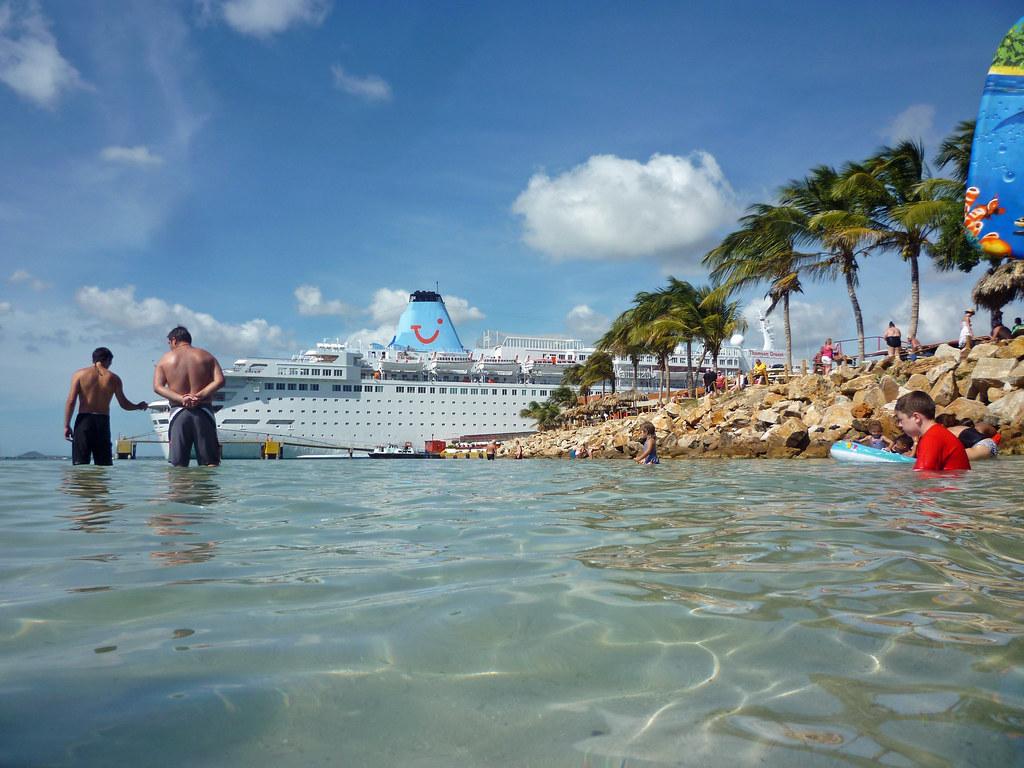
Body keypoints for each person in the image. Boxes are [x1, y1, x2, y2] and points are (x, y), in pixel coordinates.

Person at [154, 326, 225, 467]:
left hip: (178, 413)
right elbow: (220, 381)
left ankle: (181, 489)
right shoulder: (207, 356)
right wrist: (198, 396)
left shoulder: (165, 360)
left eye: (169, 344)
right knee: (210, 462)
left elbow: (158, 387)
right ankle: (207, 489)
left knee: (179, 465)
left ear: (174, 340)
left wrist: (182, 399)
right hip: (203, 411)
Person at [64, 347, 148, 465]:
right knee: (103, 464)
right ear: (107, 359)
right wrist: (138, 406)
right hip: (102, 422)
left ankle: (81, 483)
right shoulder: (114, 378)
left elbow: (71, 401)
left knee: (80, 464)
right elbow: (124, 404)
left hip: (84, 421)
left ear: (93, 360)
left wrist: (67, 425)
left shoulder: (78, 375)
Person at [894, 391, 970, 471]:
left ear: (916, 417)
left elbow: (923, 477)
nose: (900, 425)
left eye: (901, 420)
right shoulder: (938, 433)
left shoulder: (931, 439)